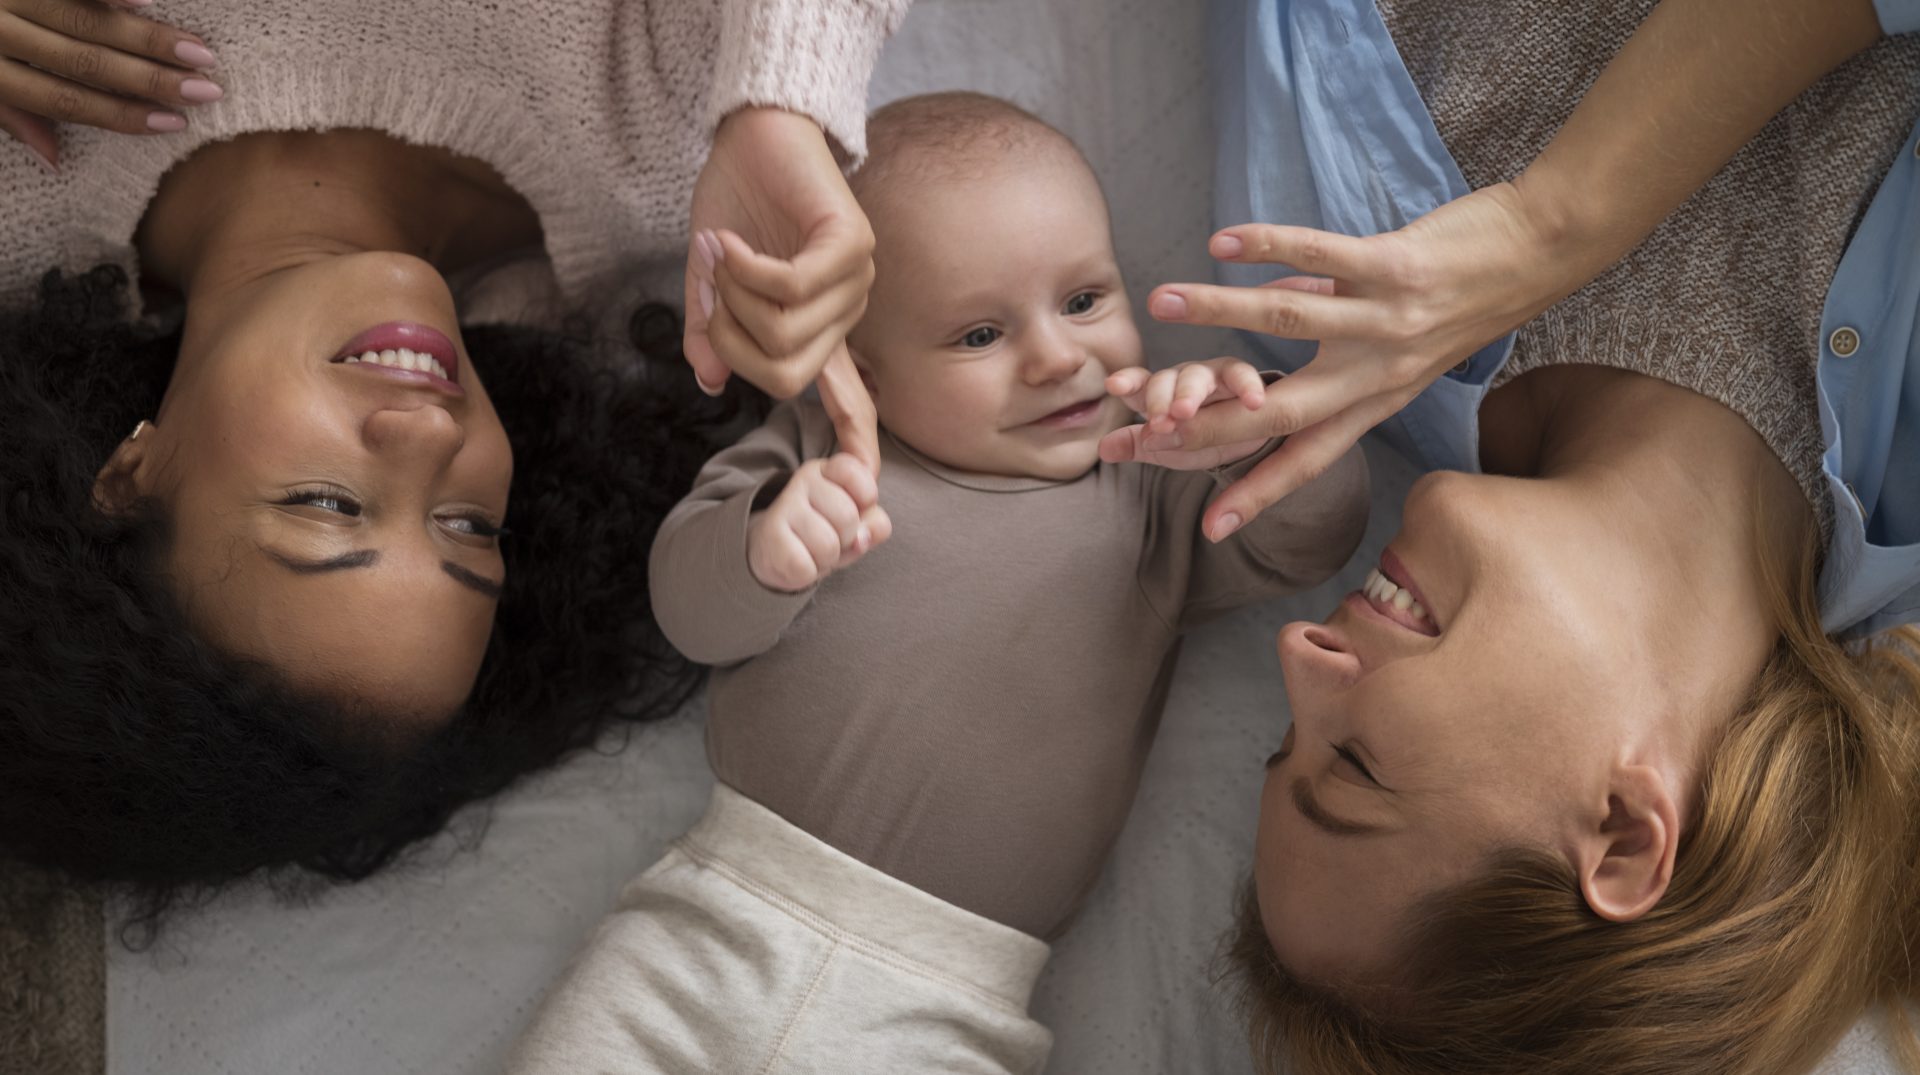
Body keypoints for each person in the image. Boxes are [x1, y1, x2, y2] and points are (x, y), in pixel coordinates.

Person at [0, 0, 907, 1072]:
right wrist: (781, 101)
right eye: (469, 525)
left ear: (130, 472)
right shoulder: (681, 156)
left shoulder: (32, 125)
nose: (427, 437)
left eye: (328, 505)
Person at [1094, 0, 1920, 1071]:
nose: (1297, 658)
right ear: (1625, 830)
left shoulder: (1311, 276)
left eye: (1280, 739)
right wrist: (1548, 224)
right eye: (1353, 765)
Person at [506, 92, 1370, 1075]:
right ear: (861, 379)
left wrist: (1258, 430)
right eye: (978, 336)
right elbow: (687, 613)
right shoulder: (821, 455)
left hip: (948, 1003)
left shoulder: (1152, 487)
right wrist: (759, 553)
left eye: (1086, 299)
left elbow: (1314, 533)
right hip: (710, 928)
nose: (1058, 357)